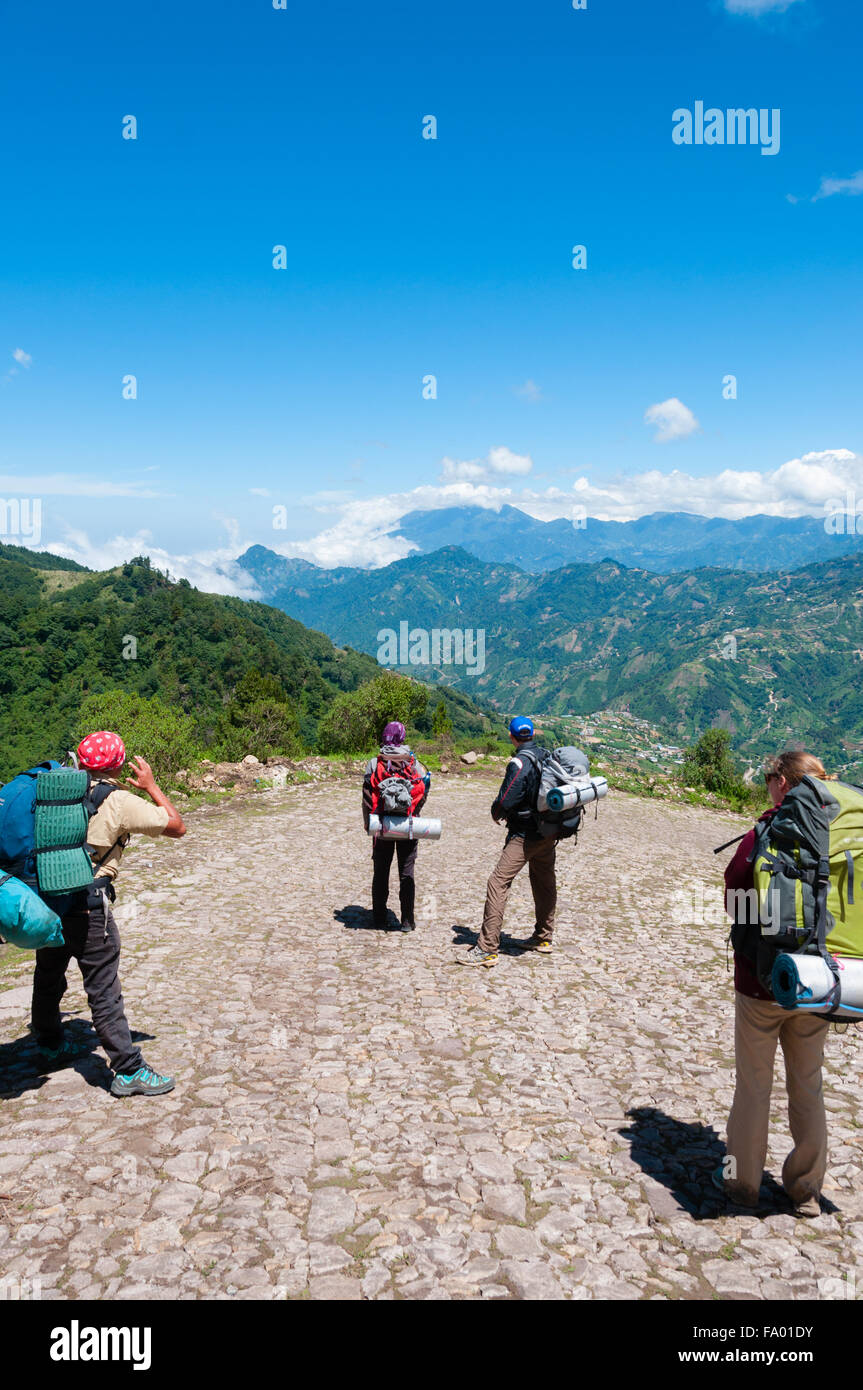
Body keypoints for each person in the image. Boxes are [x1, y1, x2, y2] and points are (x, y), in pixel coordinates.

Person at [31, 731, 187, 1097]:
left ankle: (50, 1043)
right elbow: (176, 826)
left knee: (49, 974)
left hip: (50, 898)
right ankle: (128, 1070)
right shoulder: (118, 801)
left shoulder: (52, 790)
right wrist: (150, 786)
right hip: (88, 902)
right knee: (103, 988)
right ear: (118, 765)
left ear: (81, 761)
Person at [716, 750, 831, 1216]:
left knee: (753, 1086)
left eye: (769, 779)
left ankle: (742, 1183)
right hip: (821, 981)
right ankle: (805, 1191)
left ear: (783, 781)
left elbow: (735, 895)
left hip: (763, 983)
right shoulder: (840, 833)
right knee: (808, 1084)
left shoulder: (766, 830)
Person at [457, 716, 556, 968]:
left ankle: (487, 948)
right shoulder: (544, 755)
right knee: (544, 880)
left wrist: (495, 812)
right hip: (549, 831)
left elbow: (505, 799)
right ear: (532, 734)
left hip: (525, 834)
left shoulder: (519, 762)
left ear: (511, 736)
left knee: (497, 882)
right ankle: (544, 937)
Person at [362, 720, 429, 932]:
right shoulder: (415, 764)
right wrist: (414, 813)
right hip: (408, 826)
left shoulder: (374, 763)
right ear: (402, 737)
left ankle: (379, 918)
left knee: (381, 872)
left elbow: (366, 798)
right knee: (407, 872)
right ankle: (407, 920)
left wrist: (368, 823)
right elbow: (423, 793)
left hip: (381, 826)